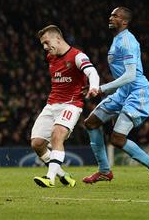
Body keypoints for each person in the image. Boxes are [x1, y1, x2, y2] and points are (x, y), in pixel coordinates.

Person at [82, 7, 149, 185]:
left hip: (138, 93)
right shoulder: (117, 40)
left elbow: (130, 76)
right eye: (111, 14)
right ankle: (104, 171)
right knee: (91, 122)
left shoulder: (127, 41)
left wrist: (102, 88)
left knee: (117, 139)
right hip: (123, 93)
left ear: (125, 22)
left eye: (116, 15)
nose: (111, 17)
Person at [32, 25, 100, 188]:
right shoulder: (51, 57)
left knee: (57, 135)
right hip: (51, 105)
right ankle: (63, 175)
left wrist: (94, 86)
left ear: (58, 38)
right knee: (37, 144)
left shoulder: (77, 56)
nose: (45, 47)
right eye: (43, 44)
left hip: (71, 105)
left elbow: (92, 72)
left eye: (47, 42)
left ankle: (50, 178)